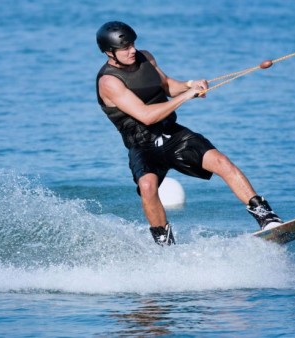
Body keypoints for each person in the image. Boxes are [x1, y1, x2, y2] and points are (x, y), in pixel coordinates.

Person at [95, 21, 282, 246]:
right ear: (109, 52)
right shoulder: (109, 82)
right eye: (125, 48)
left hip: (171, 133)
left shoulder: (146, 57)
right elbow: (145, 116)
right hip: (141, 144)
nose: (132, 50)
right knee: (147, 187)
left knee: (221, 161)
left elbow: (166, 86)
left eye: (133, 44)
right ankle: (165, 245)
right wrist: (186, 96)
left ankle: (267, 218)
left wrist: (191, 85)